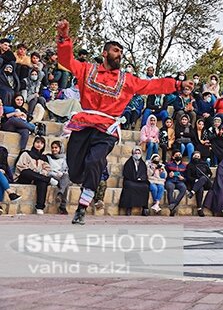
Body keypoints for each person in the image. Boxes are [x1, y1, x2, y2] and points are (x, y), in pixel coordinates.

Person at [54, 19, 187, 225]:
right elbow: (66, 60)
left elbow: (152, 85)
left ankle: (83, 205)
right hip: (84, 122)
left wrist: (176, 84)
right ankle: (84, 181)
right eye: (116, 50)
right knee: (74, 167)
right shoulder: (87, 70)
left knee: (95, 160)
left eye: (121, 52)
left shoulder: (126, 80)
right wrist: (64, 37)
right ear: (105, 53)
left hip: (107, 128)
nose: (119, 55)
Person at [15, 136, 54, 214]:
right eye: (37, 142)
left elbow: (47, 169)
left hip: (37, 178)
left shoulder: (43, 157)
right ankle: (48, 179)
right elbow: (20, 166)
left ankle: (40, 207)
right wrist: (35, 171)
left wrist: (42, 172)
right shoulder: (26, 153)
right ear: (33, 143)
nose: (39, 145)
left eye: (42, 143)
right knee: (26, 172)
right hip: (25, 178)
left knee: (42, 182)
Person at [119, 147, 150, 216]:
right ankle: (129, 208)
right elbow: (126, 173)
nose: (137, 154)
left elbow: (144, 174)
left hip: (140, 181)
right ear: (133, 154)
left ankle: (144, 208)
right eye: (135, 153)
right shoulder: (128, 163)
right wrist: (134, 178)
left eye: (138, 153)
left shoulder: (143, 164)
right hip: (130, 180)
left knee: (145, 187)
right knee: (129, 186)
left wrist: (141, 178)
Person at [46, 140, 71, 215]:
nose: (54, 149)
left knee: (66, 177)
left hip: (61, 176)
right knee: (65, 183)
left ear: (60, 148)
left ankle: (60, 193)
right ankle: (62, 206)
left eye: (56, 148)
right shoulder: (48, 157)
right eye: (52, 148)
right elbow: (47, 169)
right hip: (51, 175)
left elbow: (66, 169)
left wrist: (61, 173)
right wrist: (54, 173)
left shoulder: (64, 158)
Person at [185, 151, 212, 217]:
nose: (196, 157)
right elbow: (188, 176)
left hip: (205, 182)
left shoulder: (204, 164)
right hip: (195, 183)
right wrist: (195, 180)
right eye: (195, 156)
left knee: (203, 178)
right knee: (200, 189)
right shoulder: (190, 165)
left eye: (198, 156)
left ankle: (192, 192)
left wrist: (208, 175)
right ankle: (199, 208)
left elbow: (210, 173)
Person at [164, 150, 188, 216]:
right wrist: (169, 174)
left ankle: (173, 205)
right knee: (170, 188)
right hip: (170, 180)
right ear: (173, 157)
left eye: (180, 155)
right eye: (177, 155)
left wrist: (183, 178)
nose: (179, 156)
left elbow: (187, 176)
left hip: (179, 181)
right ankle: (172, 208)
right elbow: (163, 174)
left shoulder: (185, 165)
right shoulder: (168, 164)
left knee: (183, 188)